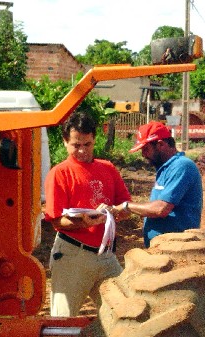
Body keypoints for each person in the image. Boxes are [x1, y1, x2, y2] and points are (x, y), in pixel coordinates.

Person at [44, 111, 132, 317]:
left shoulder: (108, 169)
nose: (82, 150)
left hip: (105, 255)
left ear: (94, 140)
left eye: (87, 144)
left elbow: (126, 206)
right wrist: (84, 222)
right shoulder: (60, 173)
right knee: (63, 320)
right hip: (73, 255)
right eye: (76, 145)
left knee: (125, 311)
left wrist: (116, 211)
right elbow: (56, 220)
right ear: (65, 142)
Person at [109, 121, 203, 248]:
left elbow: (160, 209)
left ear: (161, 145)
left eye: (146, 149)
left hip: (177, 249)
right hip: (165, 248)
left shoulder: (182, 166)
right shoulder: (166, 168)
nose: (143, 155)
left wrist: (127, 206)